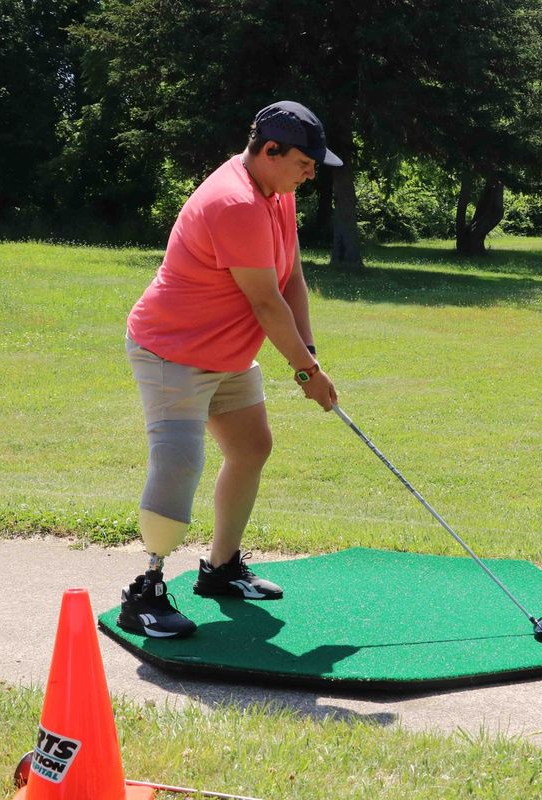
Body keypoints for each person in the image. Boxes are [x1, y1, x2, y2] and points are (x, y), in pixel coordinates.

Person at [117, 101, 342, 639]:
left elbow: (290, 280)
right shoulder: (236, 202)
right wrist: (307, 374)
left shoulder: (275, 193)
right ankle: (143, 594)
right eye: (305, 162)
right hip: (172, 352)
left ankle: (220, 569)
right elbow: (265, 304)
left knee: (250, 448)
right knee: (178, 463)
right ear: (270, 151)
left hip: (227, 355)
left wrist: (309, 354)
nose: (312, 172)